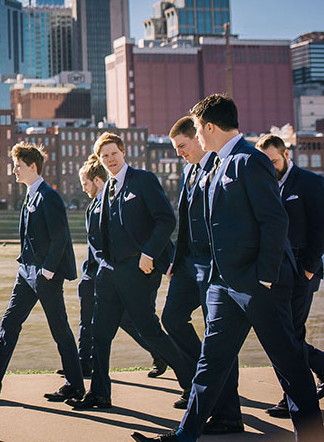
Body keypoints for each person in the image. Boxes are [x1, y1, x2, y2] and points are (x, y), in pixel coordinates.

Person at [132, 95, 324, 442]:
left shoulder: (250, 161)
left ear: (209, 126)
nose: (198, 138)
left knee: (291, 367)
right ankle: (183, 436)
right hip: (223, 284)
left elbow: (274, 220)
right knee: (210, 365)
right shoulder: (214, 164)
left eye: (199, 130)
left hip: (259, 285)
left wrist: (265, 277)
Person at [73, 132, 195, 410]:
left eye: (113, 153)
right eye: (104, 156)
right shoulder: (107, 190)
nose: (110, 159)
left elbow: (166, 220)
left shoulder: (143, 180)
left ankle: (191, 385)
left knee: (150, 331)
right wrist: (101, 266)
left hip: (138, 271)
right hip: (108, 273)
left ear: (124, 152)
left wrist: (148, 253)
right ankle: (100, 394)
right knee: (99, 334)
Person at [0, 142, 85, 402]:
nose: (14, 170)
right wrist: (25, 266)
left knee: (59, 329)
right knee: (10, 322)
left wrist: (48, 272)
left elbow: (60, 237)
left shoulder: (48, 196)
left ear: (32, 166)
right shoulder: (30, 194)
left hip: (44, 275)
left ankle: (75, 385)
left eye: (17, 165)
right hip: (26, 272)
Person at [160, 117, 243, 434]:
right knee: (171, 318)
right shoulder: (188, 170)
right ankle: (202, 388)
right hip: (187, 265)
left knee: (218, 340)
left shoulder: (220, 165)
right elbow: (185, 220)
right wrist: (175, 260)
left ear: (198, 138)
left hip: (215, 267)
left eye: (182, 145)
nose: (179, 152)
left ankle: (229, 415)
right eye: (176, 148)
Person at [77, 156, 167, 382]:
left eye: (85, 184)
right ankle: (85, 364)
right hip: (98, 274)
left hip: (115, 274)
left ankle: (170, 358)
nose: (83, 189)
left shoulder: (118, 199)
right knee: (94, 321)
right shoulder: (94, 206)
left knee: (137, 321)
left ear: (98, 180)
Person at [256, 133, 324, 418]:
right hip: (277, 271)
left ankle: (294, 397)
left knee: (289, 335)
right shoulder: (265, 184)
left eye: (274, 161)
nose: (271, 168)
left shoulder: (310, 182)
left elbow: (321, 228)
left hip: (302, 271)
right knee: (286, 335)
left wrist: (309, 268)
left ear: (285, 154)